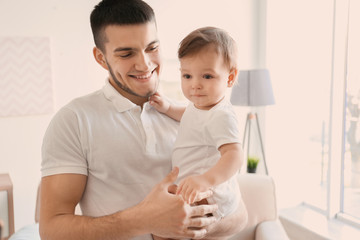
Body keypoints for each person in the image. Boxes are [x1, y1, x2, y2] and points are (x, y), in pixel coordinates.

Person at [40, 1, 248, 240]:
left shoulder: (195, 110)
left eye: (152, 48)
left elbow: (240, 214)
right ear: (100, 57)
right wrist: (144, 221)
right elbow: (52, 231)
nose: (145, 64)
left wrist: (198, 225)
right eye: (127, 53)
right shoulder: (73, 121)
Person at [149, 27, 243, 221]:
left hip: (208, 194)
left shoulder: (221, 115)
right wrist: (168, 108)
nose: (195, 85)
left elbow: (234, 156)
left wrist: (205, 180)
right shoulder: (199, 106)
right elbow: (189, 115)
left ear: (230, 77)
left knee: (164, 229)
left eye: (207, 76)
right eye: (187, 76)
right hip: (193, 188)